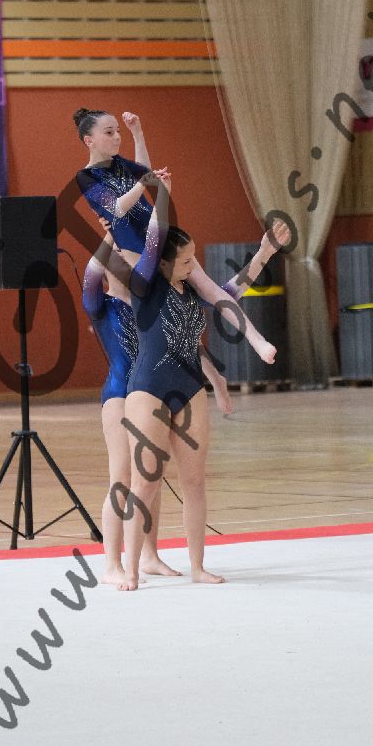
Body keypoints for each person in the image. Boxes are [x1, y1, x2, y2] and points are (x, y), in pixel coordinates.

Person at [118, 171, 289, 591]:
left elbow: (232, 291)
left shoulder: (192, 292)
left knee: (194, 482)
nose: (194, 266)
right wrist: (162, 195)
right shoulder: (145, 288)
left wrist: (264, 253)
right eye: (186, 261)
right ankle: (131, 568)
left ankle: (197, 566)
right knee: (146, 481)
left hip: (189, 388)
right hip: (147, 389)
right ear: (162, 262)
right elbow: (154, 238)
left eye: (195, 259)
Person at [74, 108, 277, 365]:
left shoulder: (120, 163)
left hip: (162, 234)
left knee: (209, 290)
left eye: (118, 131)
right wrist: (142, 183)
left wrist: (138, 133)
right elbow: (116, 208)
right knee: (176, 307)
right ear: (89, 140)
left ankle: (257, 340)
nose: (116, 137)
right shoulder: (85, 177)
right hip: (136, 250)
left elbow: (145, 171)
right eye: (109, 132)